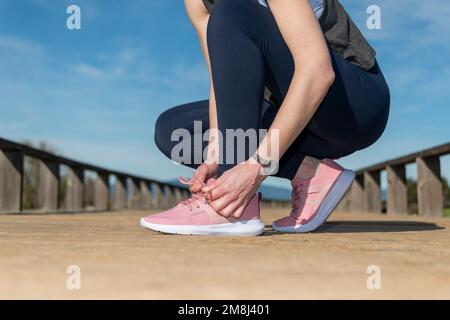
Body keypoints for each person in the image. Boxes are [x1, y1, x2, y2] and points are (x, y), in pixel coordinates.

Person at [140, 0, 390, 235]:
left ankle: (232, 211)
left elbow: (318, 72)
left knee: (236, 7)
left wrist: (257, 167)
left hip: (353, 107)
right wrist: (217, 155)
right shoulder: (197, 3)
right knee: (174, 131)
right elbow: (223, 83)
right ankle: (309, 171)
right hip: (292, 113)